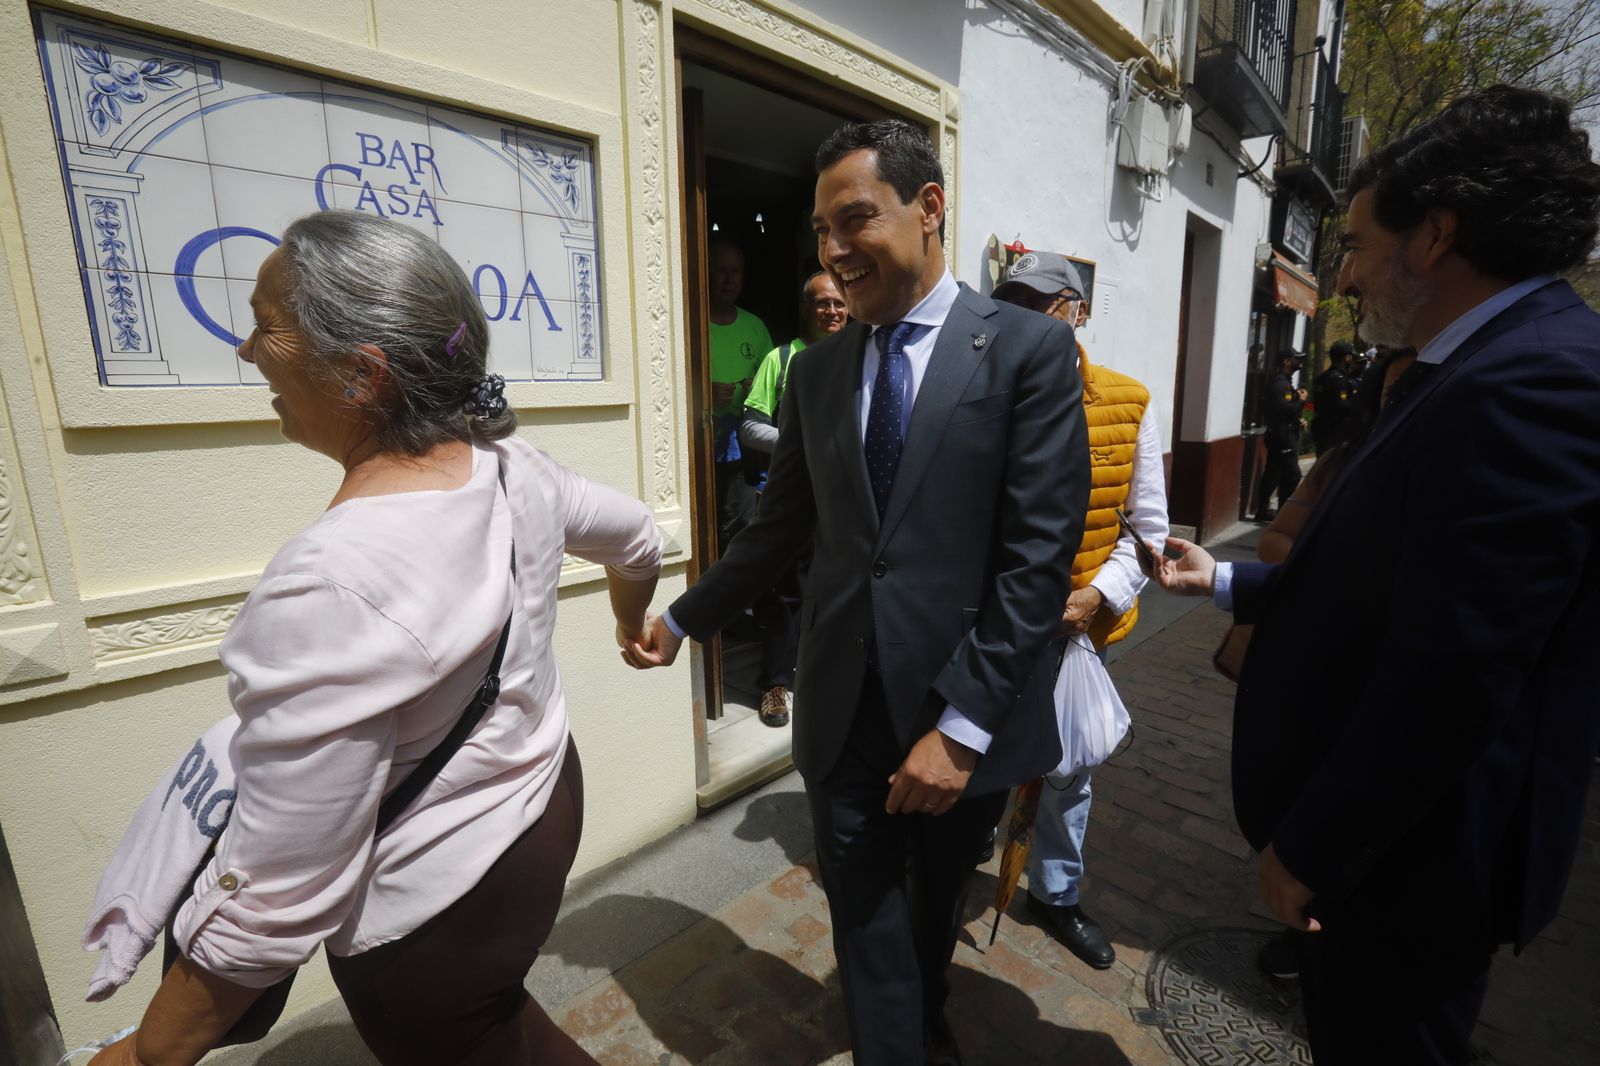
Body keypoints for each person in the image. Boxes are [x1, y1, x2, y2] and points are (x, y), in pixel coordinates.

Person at [90, 210, 661, 1066]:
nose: (247, 351)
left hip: (441, 898)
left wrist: (145, 1056)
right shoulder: (516, 467)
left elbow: (280, 889)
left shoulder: (328, 580)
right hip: (544, 798)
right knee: (501, 1028)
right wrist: (629, 618)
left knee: (481, 1038)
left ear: (362, 375)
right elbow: (638, 537)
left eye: (266, 326)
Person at [1146, 86, 1600, 1063]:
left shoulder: (1537, 383)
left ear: (1433, 237)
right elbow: (1384, 587)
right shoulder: (1457, 369)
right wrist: (1221, 584)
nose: (1341, 278)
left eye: (1351, 244)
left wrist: (1313, 845)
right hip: (1382, 856)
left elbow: (1455, 670)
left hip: (1408, 866)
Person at [625, 119, 1088, 1066]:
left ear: (929, 209)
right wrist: (683, 619)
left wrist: (960, 730)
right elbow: (781, 527)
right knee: (864, 912)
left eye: (855, 221)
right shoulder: (819, 369)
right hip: (840, 708)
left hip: (962, 707)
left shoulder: (1027, 353)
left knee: (931, 908)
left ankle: (921, 1012)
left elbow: (1037, 557)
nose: (834, 252)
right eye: (821, 230)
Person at [991, 251, 1169, 971]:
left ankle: (1055, 894)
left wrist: (1096, 594)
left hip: (1077, 631)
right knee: (976, 745)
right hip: (995, 622)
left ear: (1078, 310)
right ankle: (959, 865)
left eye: (1046, 303)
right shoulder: (983, 394)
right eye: (1015, 305)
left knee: (1068, 767)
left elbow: (1148, 529)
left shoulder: (1129, 401)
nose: (1030, 320)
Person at [737, 271, 849, 726]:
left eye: (839, 304)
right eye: (823, 304)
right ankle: (776, 684)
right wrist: (803, 442)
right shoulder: (782, 359)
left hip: (846, 504)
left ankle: (825, 676)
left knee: (835, 592)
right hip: (791, 500)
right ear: (807, 308)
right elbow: (749, 426)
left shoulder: (863, 356)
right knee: (784, 594)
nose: (832, 312)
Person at [707, 238, 774, 552]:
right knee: (705, 525)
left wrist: (754, 389)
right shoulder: (692, 322)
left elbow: (773, 385)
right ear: (707, 273)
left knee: (742, 527)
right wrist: (702, 394)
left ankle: (738, 599)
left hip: (743, 448)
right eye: (721, 271)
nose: (729, 279)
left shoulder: (755, 326)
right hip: (700, 444)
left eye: (735, 272)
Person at [1252, 347, 1306, 521]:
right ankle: (1281, 513)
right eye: (1296, 358)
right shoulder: (1280, 383)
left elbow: (1285, 412)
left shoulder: (1286, 382)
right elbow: (1283, 411)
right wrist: (1301, 402)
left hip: (1283, 433)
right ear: (1286, 361)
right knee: (1292, 474)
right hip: (1281, 436)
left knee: (1274, 472)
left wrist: (1298, 420)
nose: (1300, 362)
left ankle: (1264, 511)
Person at [1309, 340, 1356, 454]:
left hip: (1322, 428)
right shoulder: (1338, 380)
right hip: (1334, 431)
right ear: (1346, 358)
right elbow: (1340, 405)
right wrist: (1356, 399)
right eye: (1350, 356)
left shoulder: (1323, 377)